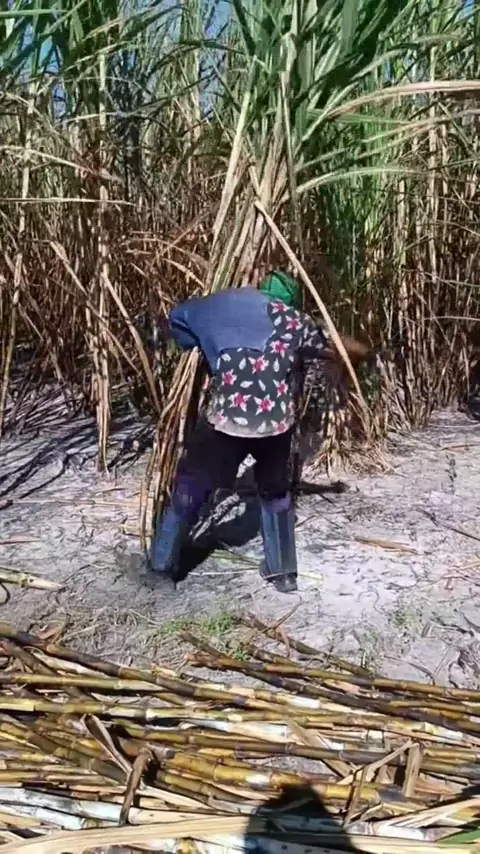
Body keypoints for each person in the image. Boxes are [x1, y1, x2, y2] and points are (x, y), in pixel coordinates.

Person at [150, 271, 369, 594]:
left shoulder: (215, 306)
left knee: (192, 484)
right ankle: (283, 574)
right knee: (275, 493)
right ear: (289, 301)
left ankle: (161, 566)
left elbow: (178, 321)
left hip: (227, 419)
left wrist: (208, 345)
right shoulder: (295, 321)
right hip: (274, 425)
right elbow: (345, 348)